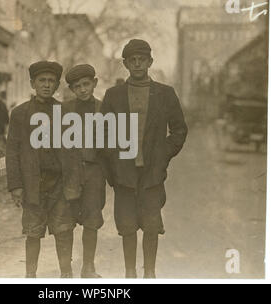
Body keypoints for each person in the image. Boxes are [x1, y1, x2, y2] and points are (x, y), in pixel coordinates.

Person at [100, 39, 188, 278]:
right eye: (132, 60)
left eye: (142, 59)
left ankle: (149, 273)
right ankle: (130, 273)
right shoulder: (114, 95)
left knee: (151, 225)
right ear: (125, 64)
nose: (137, 64)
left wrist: (164, 154)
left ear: (150, 62)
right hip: (124, 172)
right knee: (127, 225)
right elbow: (102, 132)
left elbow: (179, 130)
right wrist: (114, 161)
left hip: (152, 173)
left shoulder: (165, 94)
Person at [6, 61, 76, 278]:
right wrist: (16, 186)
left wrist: (73, 184)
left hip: (59, 185)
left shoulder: (65, 112)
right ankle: (31, 276)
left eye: (51, 81)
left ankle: (66, 275)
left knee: (64, 230)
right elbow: (12, 152)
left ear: (56, 86)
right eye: (42, 81)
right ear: (32, 83)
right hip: (32, 185)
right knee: (33, 233)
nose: (46, 85)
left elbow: (73, 153)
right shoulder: (20, 114)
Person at [62, 64, 106, 278]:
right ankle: (66, 270)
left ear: (94, 83)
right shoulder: (64, 110)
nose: (82, 89)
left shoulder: (104, 109)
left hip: (94, 173)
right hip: (69, 173)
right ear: (72, 89)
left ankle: (88, 267)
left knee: (92, 220)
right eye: (77, 86)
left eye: (86, 84)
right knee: (66, 220)